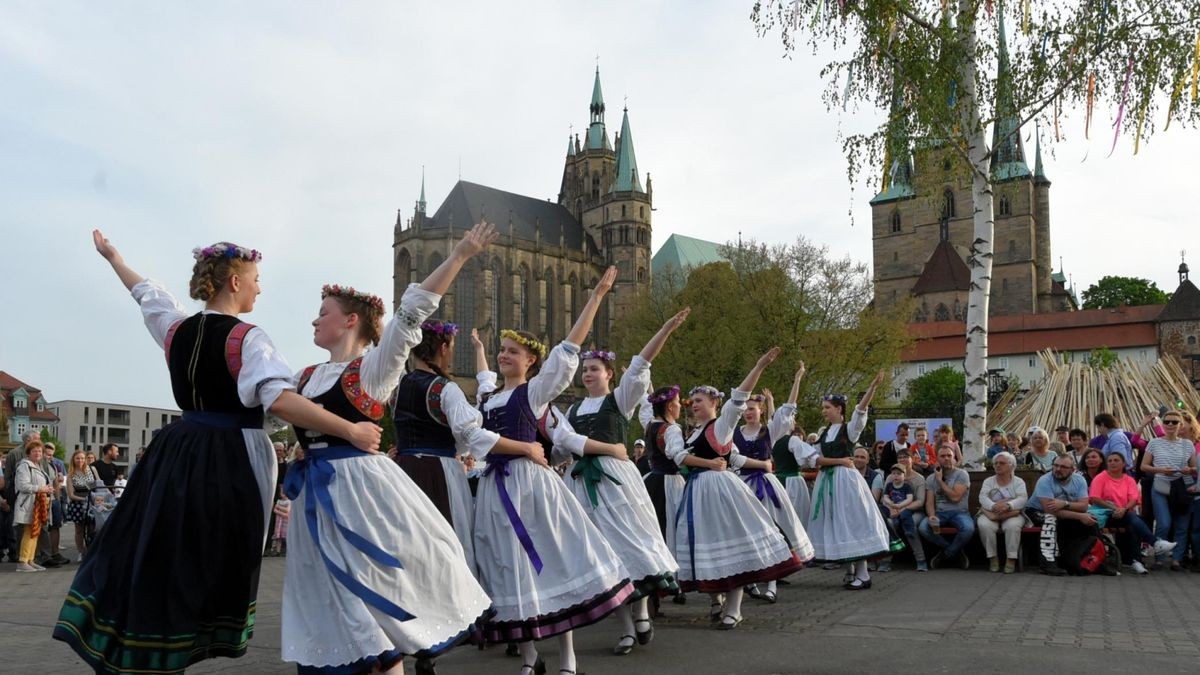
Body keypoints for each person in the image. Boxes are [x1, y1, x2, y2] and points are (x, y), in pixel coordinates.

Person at [54, 230, 383, 675]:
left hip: (176, 450)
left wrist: (115, 258)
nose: (259, 287)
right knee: (209, 561)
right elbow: (280, 401)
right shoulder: (247, 338)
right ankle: (189, 637)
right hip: (229, 457)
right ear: (234, 282)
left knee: (167, 550)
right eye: (256, 278)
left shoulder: (178, 329)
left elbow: (145, 295)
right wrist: (351, 429)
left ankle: (152, 648)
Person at [284, 222, 496, 675]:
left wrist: (458, 255)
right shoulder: (303, 378)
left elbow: (410, 314)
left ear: (351, 320)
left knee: (374, 609)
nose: (315, 319)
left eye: (323, 311)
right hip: (316, 504)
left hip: (360, 495)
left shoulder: (372, 370)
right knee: (324, 599)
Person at [475, 267, 634, 675]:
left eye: (513, 351)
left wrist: (597, 296)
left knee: (552, 559)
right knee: (509, 566)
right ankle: (530, 657)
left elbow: (567, 349)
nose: (504, 354)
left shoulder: (535, 392)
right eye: (502, 349)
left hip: (531, 487)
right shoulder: (489, 400)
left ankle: (567, 656)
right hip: (496, 489)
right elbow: (477, 409)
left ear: (530, 361)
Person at [563, 309, 689, 655]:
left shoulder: (619, 400)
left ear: (608, 374)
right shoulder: (571, 411)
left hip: (616, 481)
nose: (587, 374)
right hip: (581, 485)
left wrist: (664, 328)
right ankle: (626, 628)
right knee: (602, 553)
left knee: (631, 544)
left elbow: (640, 365)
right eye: (584, 369)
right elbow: (560, 440)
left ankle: (641, 611)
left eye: (594, 369)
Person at [670, 347, 804, 629]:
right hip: (697, 493)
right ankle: (715, 600)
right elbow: (720, 458)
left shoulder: (722, 425)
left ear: (714, 404)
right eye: (692, 401)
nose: (693, 405)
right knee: (707, 545)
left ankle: (734, 608)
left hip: (720, 491)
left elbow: (739, 397)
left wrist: (758, 367)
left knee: (731, 544)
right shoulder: (692, 432)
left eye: (699, 400)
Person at [790, 371, 889, 590]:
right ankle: (850, 570)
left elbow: (861, 411)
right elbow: (815, 460)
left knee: (851, 521)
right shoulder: (824, 433)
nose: (824, 411)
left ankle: (863, 574)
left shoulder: (849, 430)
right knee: (836, 522)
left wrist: (872, 388)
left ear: (839, 409)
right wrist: (834, 461)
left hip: (845, 482)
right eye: (823, 407)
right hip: (828, 481)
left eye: (827, 407)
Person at [735, 380, 814, 604]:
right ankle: (750, 579)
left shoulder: (769, 431)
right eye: (745, 409)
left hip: (766, 486)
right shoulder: (734, 433)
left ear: (761, 410)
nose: (748, 412)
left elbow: (788, 406)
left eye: (752, 408)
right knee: (747, 532)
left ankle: (771, 583)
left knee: (773, 530)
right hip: (742, 485)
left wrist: (798, 379)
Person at [1088, 451, 1176, 574]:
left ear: (1124, 463)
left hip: (1124, 514)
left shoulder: (1129, 480)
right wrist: (1115, 509)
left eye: (1116, 460)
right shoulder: (1100, 477)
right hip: (1105, 515)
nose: (1112, 463)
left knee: (1134, 522)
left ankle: (1136, 560)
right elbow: (1095, 498)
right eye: (1110, 461)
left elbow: (1134, 499)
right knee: (1134, 519)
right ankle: (1152, 546)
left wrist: (1123, 509)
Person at [1142, 410, 1197, 572]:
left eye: (1174, 422)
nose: (1170, 425)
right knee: (1163, 523)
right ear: (1163, 424)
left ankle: (1177, 560)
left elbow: (1195, 468)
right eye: (1167, 422)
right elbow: (1144, 466)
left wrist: (1189, 469)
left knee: (1181, 525)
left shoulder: (1188, 444)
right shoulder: (1154, 443)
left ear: (1181, 425)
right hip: (1161, 486)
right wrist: (1161, 470)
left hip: (1182, 487)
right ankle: (1159, 558)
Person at [1025, 455, 1095, 576]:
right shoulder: (1045, 480)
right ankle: (1047, 564)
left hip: (1062, 510)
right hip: (1036, 511)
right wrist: (1079, 516)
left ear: (1072, 470)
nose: (1058, 469)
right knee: (1050, 519)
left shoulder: (1079, 480)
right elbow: (1049, 510)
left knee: (1091, 519)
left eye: (1063, 467)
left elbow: (1083, 506)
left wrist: (1065, 503)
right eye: (1056, 466)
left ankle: (1095, 559)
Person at [918, 445, 975, 569]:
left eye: (949, 455)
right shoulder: (931, 478)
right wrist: (932, 516)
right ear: (937, 459)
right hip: (940, 513)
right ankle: (954, 550)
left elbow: (955, 498)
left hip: (960, 512)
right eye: (943, 456)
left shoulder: (962, 474)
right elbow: (929, 502)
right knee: (923, 528)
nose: (947, 458)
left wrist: (940, 481)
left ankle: (945, 554)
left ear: (954, 457)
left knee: (968, 529)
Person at [976, 451, 1027, 573]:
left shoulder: (1018, 482)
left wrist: (1008, 505)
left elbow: (1022, 499)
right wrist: (994, 506)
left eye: (1002, 463)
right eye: (996, 463)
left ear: (1011, 465)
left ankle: (1011, 558)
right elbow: (982, 498)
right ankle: (993, 557)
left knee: (1012, 526)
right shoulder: (989, 481)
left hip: (1013, 513)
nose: (998, 465)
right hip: (990, 512)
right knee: (984, 525)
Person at [14, 439, 54, 572]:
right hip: (28, 504)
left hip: (37, 504)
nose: (37, 453)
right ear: (28, 453)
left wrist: (47, 489)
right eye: (34, 451)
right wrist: (41, 488)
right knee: (29, 532)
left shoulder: (38, 466)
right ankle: (23, 561)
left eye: (39, 451)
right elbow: (22, 485)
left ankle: (30, 560)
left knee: (35, 532)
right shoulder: (24, 466)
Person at [64, 450, 97, 562]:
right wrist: (84, 499)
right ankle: (81, 552)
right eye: (77, 458)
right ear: (73, 459)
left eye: (82, 458)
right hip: (78, 504)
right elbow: (71, 495)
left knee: (92, 529)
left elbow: (100, 484)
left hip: (93, 503)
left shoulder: (92, 469)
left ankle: (91, 550)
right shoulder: (70, 474)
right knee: (79, 530)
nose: (80, 460)